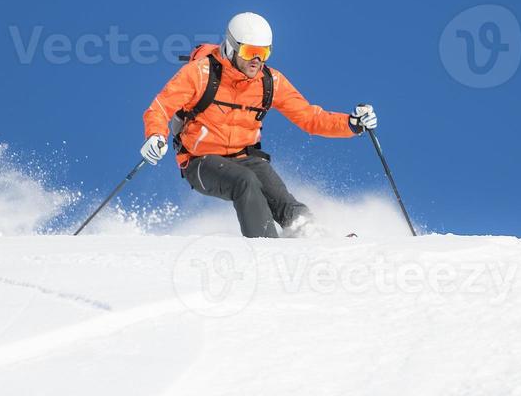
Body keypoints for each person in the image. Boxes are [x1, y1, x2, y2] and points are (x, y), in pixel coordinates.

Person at [140, 12, 377, 238]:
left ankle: (309, 236)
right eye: (250, 51)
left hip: (245, 157)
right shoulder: (200, 74)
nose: (256, 60)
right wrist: (155, 136)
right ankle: (267, 246)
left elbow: (309, 118)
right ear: (232, 47)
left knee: (281, 198)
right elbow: (161, 107)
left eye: (263, 53)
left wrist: (351, 124)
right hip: (200, 161)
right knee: (245, 182)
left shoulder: (269, 82)